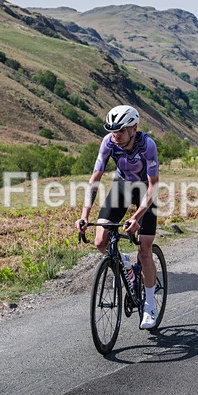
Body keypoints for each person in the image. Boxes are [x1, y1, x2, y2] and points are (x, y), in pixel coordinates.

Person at [75, 105, 160, 329]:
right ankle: (124, 264)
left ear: (134, 128)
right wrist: (84, 215)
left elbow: (153, 187)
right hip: (122, 187)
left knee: (144, 249)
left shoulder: (147, 145)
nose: (116, 136)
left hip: (145, 192)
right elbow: (95, 179)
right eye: (113, 131)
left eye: (120, 131)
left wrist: (137, 217)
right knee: (100, 241)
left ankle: (150, 304)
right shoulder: (108, 142)